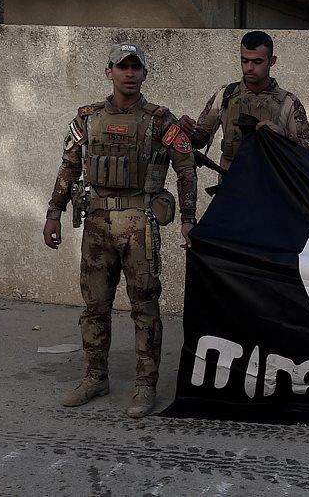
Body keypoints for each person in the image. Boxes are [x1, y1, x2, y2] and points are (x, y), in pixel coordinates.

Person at [42, 43, 197, 418]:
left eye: (136, 67)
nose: (129, 73)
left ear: (144, 74)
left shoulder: (160, 120)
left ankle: (145, 385)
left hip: (139, 222)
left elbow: (186, 169)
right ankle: (95, 376)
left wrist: (189, 219)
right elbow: (68, 168)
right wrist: (54, 212)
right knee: (95, 305)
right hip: (97, 223)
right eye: (122, 66)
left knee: (144, 305)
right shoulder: (87, 119)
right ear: (108, 72)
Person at [185, 30, 309, 171]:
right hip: (231, 185)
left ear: (272, 61)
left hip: (271, 187)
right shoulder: (225, 95)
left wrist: (283, 136)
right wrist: (186, 130)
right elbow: (199, 139)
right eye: (244, 61)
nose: (249, 68)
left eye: (257, 61)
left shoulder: (289, 102)